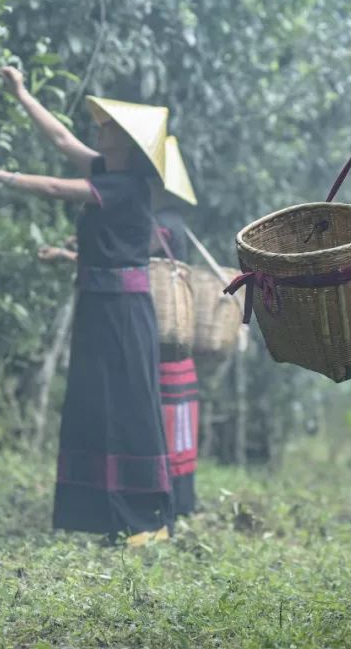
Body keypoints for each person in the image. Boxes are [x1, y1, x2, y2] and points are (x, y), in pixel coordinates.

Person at [0, 66, 174, 543]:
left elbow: (52, 187)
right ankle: (107, 514)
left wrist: (2, 176)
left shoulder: (125, 188)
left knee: (127, 406)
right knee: (96, 403)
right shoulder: (109, 171)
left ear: (125, 141)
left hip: (124, 313)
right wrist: (21, 94)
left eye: (108, 126)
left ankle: (146, 520)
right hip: (100, 306)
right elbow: (62, 140)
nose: (98, 129)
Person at [150, 136, 202, 519]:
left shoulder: (163, 225)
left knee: (167, 425)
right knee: (179, 427)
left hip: (163, 342)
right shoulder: (174, 221)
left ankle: (170, 503)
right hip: (179, 349)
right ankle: (183, 503)